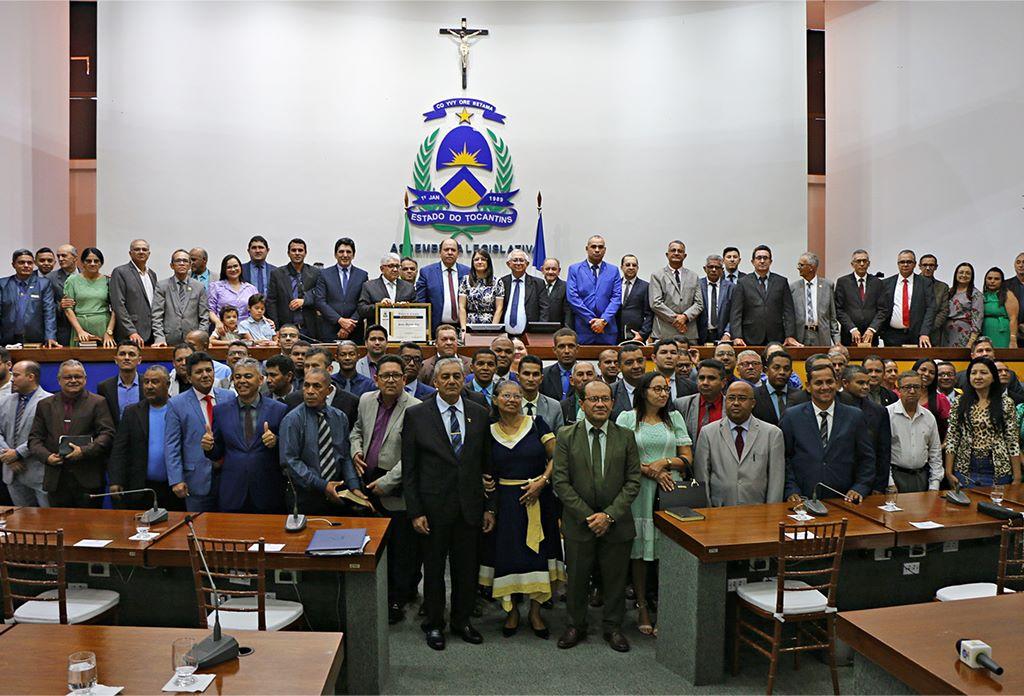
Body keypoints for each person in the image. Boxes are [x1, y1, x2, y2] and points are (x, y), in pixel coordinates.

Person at [402, 357, 494, 651]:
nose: (452, 381)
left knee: (466, 570)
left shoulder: (480, 413)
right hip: (432, 509)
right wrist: (415, 511)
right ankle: (434, 624)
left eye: (457, 376)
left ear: (464, 380)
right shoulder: (417, 414)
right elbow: (410, 469)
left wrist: (490, 507)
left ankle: (461, 621)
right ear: (435, 382)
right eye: (446, 377)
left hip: (469, 507)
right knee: (433, 571)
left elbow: (487, 465)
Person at [554, 380, 641, 653]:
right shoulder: (566, 435)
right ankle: (575, 625)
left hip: (616, 523)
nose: (600, 404)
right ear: (582, 404)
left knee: (615, 580)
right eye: (594, 399)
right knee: (577, 578)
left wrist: (609, 516)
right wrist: (589, 517)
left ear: (612, 403)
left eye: (605, 399)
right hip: (579, 523)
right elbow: (560, 482)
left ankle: (613, 627)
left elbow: (633, 481)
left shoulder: (625, 436)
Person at [485, 379, 565, 638]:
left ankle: (535, 612)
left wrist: (542, 481)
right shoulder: (488, 430)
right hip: (505, 504)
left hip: (538, 499)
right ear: (495, 399)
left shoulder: (537, 423)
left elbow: (557, 457)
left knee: (537, 554)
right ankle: (511, 612)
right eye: (506, 395)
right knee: (508, 555)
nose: (512, 400)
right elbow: (481, 464)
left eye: (517, 395)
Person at [616, 372, 691, 636]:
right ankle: (642, 606)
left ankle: (667, 607)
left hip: (669, 491)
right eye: (657, 389)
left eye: (666, 389)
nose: (663, 394)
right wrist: (650, 471)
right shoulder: (627, 418)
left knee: (667, 552)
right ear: (643, 391)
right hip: (639, 490)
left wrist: (665, 463)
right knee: (640, 553)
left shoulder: (675, 418)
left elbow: (687, 457)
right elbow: (619, 456)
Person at [350, 355, 422, 624]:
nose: (390, 380)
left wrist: (388, 481)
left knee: (401, 548)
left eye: (396, 375)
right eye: (385, 375)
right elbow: (357, 430)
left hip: (396, 484)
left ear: (405, 378)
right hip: (366, 480)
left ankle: (397, 599)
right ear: (376, 378)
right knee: (373, 544)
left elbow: (414, 455)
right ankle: (377, 593)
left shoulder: (416, 408)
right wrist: (356, 451)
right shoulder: (366, 400)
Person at [782, 362, 875, 502]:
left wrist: (860, 487)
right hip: (802, 499)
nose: (825, 387)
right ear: (808, 387)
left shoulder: (854, 416)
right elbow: (785, 458)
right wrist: (791, 490)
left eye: (829, 382)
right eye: (818, 383)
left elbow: (866, 458)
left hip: (844, 499)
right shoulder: (792, 416)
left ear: (837, 384)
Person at [280, 367, 368, 516]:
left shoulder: (339, 417)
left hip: (336, 492)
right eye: (306, 385)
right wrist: (323, 485)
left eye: (317, 386)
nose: (310, 391)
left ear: (329, 390)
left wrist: (354, 486)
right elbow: (290, 461)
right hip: (305, 496)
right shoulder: (292, 420)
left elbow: (345, 456)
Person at [204, 358, 287, 514]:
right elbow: (217, 453)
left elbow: (288, 450)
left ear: (261, 380)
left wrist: (276, 441)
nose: (242, 380)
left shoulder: (279, 409)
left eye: (248, 376)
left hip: (268, 491)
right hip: (232, 491)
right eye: (237, 377)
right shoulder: (221, 411)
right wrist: (209, 447)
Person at [28, 360, 115, 507]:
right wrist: (47, 457)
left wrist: (84, 451)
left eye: (78, 377)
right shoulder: (45, 405)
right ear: (59, 380)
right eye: (68, 377)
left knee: (90, 521)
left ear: (85, 379)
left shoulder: (98, 402)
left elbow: (107, 434)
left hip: (88, 478)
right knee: (59, 521)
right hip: (56, 479)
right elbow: (34, 439)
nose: (73, 380)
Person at [695, 380, 785, 506]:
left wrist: (771, 512)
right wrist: (707, 512)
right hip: (719, 511)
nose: (736, 403)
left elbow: (776, 481)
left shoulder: (772, 434)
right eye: (731, 398)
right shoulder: (708, 432)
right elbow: (702, 477)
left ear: (753, 403)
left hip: (758, 511)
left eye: (742, 398)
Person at [164, 351, 234, 512]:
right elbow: (172, 445)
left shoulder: (229, 397)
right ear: (189, 377)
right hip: (196, 479)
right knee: (200, 525)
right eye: (199, 372)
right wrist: (176, 480)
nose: (205, 375)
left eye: (208, 370)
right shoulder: (176, 404)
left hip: (229, 475)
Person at [108, 365, 184, 512]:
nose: (149, 386)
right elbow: (120, 449)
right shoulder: (131, 412)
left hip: (173, 487)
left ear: (167, 384)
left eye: (155, 382)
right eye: (146, 382)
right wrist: (116, 480)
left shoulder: (180, 410)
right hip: (140, 486)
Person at [945, 357, 1020, 487]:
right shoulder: (959, 402)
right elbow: (952, 438)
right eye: (973, 373)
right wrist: (948, 471)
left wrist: (1017, 476)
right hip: (966, 467)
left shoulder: (1006, 403)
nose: (978, 377)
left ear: (993, 377)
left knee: (997, 500)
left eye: (983, 373)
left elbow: (1012, 441)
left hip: (998, 468)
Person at [0, 361, 51, 506]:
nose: (12, 379)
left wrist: (18, 453)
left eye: (16, 375)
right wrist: (9, 457)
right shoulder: (4, 401)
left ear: (31, 377)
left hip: (38, 472)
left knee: (48, 517)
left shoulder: (49, 401)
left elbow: (46, 434)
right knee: (22, 519)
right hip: (12, 472)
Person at [729, 245, 798, 347]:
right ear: (753, 262)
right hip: (750, 336)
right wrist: (737, 336)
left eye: (765, 258)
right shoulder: (743, 283)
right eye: (759, 258)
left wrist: (790, 335)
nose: (762, 261)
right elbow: (736, 312)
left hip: (776, 336)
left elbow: (788, 311)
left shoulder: (781, 282)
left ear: (770, 261)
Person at [838, 365, 892, 493]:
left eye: (867, 383)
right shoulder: (832, 406)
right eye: (860, 383)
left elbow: (883, 453)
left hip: (867, 482)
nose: (866, 387)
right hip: (836, 478)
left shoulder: (879, 411)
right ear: (845, 383)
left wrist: (879, 487)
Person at [886, 371, 942, 493]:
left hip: (921, 477)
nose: (912, 391)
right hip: (895, 476)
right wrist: (890, 483)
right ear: (899, 390)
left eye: (916, 387)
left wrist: (934, 484)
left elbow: (935, 452)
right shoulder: (887, 414)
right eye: (907, 387)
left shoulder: (928, 417)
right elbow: (882, 453)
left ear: (922, 389)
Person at [284, 347, 359, 430]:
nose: (310, 371)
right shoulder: (293, 400)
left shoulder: (351, 402)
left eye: (315, 366)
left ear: (329, 369)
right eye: (307, 366)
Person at [566, 235, 622, 345]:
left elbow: (616, 298)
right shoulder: (575, 269)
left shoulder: (613, 270)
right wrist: (592, 321)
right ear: (587, 249)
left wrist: (603, 321)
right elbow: (572, 297)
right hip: (583, 329)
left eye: (600, 247)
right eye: (593, 247)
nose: (597, 250)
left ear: (604, 250)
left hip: (607, 329)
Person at [152, 249, 210, 347]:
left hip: (193, 341)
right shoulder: (162, 286)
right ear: (172, 265)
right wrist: (159, 338)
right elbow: (157, 315)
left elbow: (204, 317)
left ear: (190, 265)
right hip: (168, 340)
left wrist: (200, 338)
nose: (182, 263)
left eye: (185, 261)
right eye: (178, 261)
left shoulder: (199, 287)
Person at [0, 249, 58, 347]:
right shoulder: (3, 284)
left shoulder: (43, 284)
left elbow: (49, 312)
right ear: (13, 265)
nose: (26, 265)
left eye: (29, 263)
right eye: (21, 262)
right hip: (7, 338)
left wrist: (50, 336)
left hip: (35, 338)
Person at [266, 238, 323, 337]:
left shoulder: (315, 273)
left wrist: (305, 300)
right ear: (288, 253)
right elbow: (271, 302)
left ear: (305, 253)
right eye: (293, 250)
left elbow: (320, 293)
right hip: (286, 327)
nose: (297, 253)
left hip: (309, 327)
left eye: (300, 250)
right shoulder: (277, 274)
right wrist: (276, 329)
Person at [648, 240, 703, 342]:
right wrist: (677, 320)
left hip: (688, 332)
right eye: (673, 250)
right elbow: (655, 303)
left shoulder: (693, 276)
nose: (676, 253)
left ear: (685, 256)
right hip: (664, 332)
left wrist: (685, 317)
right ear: (667, 254)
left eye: (680, 251)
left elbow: (699, 304)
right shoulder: (657, 275)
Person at [61, 247, 115, 348]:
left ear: (101, 263)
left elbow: (115, 309)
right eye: (88, 261)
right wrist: (80, 331)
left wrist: (109, 332)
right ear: (82, 263)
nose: (92, 264)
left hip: (103, 327)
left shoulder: (108, 280)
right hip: (80, 327)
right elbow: (68, 309)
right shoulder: (72, 280)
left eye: (96, 261)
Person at [317, 237, 369, 342]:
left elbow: (363, 303)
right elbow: (320, 301)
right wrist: (340, 320)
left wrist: (349, 325)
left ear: (353, 255)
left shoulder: (362, 275)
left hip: (354, 330)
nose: (345, 255)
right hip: (330, 328)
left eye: (348, 252)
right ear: (335, 254)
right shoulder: (324, 274)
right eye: (341, 251)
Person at [108, 238, 158, 346]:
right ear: (130, 253)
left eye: (144, 249)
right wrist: (131, 331)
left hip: (151, 333)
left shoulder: (152, 274)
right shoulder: (120, 272)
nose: (141, 252)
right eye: (137, 249)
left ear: (149, 253)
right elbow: (118, 305)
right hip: (130, 334)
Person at [834, 249, 889, 346]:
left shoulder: (877, 283)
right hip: (849, 335)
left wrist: (872, 329)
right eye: (858, 261)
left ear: (869, 263)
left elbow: (883, 310)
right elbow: (838, 309)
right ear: (852, 264)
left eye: (864, 261)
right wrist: (852, 328)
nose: (862, 264)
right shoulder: (843, 282)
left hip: (871, 336)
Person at [881, 249, 935, 348]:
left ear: (915, 264)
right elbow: (881, 309)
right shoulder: (886, 283)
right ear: (898, 264)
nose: (905, 265)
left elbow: (930, 309)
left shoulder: (925, 283)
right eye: (902, 262)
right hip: (892, 335)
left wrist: (924, 333)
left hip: (917, 335)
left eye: (909, 262)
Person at [416, 239, 470, 333]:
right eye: (446, 249)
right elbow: (421, 302)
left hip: (463, 327)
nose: (450, 253)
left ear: (458, 253)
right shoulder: (427, 272)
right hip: (435, 328)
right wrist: (425, 327)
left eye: (453, 250)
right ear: (440, 252)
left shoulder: (468, 272)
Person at [790, 252, 839, 346]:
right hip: (800, 335)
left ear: (811, 267)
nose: (798, 267)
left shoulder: (827, 286)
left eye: (801, 265)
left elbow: (832, 316)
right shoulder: (793, 288)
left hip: (822, 335)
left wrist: (837, 340)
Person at [673, 358, 727, 441]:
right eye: (701, 378)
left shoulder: (730, 406)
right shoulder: (681, 405)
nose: (705, 382)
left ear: (723, 383)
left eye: (711, 378)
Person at [358, 253, 415, 327]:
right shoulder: (369, 286)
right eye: (391, 266)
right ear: (382, 269)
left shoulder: (409, 287)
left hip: (402, 329)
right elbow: (362, 310)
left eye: (397, 266)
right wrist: (379, 305)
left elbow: (418, 309)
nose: (395, 269)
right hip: (378, 330)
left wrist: (408, 307)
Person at [498, 249, 547, 336]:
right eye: (515, 260)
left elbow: (544, 309)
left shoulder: (538, 283)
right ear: (508, 264)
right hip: (504, 334)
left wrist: (540, 330)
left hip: (530, 334)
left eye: (521, 260)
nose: (518, 263)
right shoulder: (502, 282)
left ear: (527, 264)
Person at [207, 254, 259, 335]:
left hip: (247, 331)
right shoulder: (216, 287)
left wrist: (266, 320)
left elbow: (257, 309)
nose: (233, 269)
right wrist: (218, 322)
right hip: (223, 330)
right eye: (229, 267)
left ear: (240, 267)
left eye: (235, 266)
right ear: (224, 270)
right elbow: (210, 310)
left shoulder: (251, 289)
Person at [458, 249, 505, 334]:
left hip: (489, 325)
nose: (479, 262)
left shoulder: (497, 282)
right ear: (473, 263)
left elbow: (499, 309)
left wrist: (493, 329)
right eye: (476, 259)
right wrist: (463, 329)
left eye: (483, 259)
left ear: (488, 262)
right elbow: (462, 307)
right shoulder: (465, 280)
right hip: (470, 325)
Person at [96, 341, 142, 425]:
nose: (127, 358)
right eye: (122, 354)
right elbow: (103, 419)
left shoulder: (147, 384)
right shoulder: (104, 387)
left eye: (131, 354)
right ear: (116, 360)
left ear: (139, 360)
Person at [753, 351, 802, 426]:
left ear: (791, 372)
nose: (782, 372)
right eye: (776, 368)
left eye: (786, 369)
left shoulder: (800, 396)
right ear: (766, 371)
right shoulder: (754, 395)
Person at [517, 355, 564, 431]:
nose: (531, 379)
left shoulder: (554, 407)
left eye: (535, 374)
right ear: (518, 377)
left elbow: (560, 436)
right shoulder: (508, 404)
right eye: (526, 374)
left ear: (541, 378)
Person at [943, 262, 983, 348]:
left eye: (968, 273)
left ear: (972, 276)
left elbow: (977, 320)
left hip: (964, 335)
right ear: (956, 274)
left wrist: (971, 342)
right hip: (945, 334)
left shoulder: (976, 294)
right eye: (961, 272)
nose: (964, 275)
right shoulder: (949, 291)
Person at [615, 254, 653, 342]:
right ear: (621, 267)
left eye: (634, 265)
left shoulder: (646, 286)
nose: (631, 267)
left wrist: (643, 334)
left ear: (638, 268)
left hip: (635, 336)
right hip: (614, 335)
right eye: (628, 265)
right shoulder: (614, 285)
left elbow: (649, 314)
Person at [47, 244, 79, 346]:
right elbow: (46, 307)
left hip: (86, 325)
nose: (60, 259)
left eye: (64, 256)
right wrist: (60, 306)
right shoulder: (50, 278)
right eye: (58, 256)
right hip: (63, 329)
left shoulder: (86, 276)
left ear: (75, 258)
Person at [697, 255, 733, 344]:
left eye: (717, 267)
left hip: (723, 335)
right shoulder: (697, 285)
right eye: (710, 267)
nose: (713, 270)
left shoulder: (730, 287)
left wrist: (727, 333)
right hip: (700, 334)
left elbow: (734, 314)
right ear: (705, 269)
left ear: (722, 270)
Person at [912, 358, 951, 440]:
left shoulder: (940, 399)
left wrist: (943, 445)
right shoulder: (899, 396)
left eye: (932, 373)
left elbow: (950, 427)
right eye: (923, 370)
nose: (927, 374)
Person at [981, 267, 1019, 348]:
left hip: (1003, 333)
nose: (992, 281)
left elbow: (1013, 318)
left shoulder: (1008, 294)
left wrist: (1013, 339)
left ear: (1002, 281)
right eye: (989, 278)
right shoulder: (982, 296)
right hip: (985, 332)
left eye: (996, 279)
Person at [918, 254, 950, 347]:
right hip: (912, 330)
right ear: (919, 266)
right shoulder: (911, 284)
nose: (928, 268)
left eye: (931, 265)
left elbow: (943, 311)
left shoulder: (942, 287)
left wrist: (927, 328)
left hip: (933, 332)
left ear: (936, 267)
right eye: (925, 265)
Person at [540, 328, 578, 401]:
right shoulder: (544, 375)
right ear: (554, 350)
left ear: (577, 348)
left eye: (571, 346)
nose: (567, 351)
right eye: (561, 346)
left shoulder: (587, 375)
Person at [611, 343, 646, 419]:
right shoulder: (610, 392)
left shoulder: (658, 389)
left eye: (640, 361)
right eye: (629, 363)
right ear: (618, 367)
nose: (636, 366)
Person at [540, 258, 574, 327]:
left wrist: (567, 330)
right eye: (547, 269)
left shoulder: (566, 287)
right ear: (542, 270)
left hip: (558, 330)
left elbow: (568, 312)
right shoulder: (537, 286)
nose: (550, 272)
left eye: (554, 269)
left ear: (559, 271)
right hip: (538, 329)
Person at [560, 361, 596, 426]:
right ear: (572, 380)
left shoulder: (605, 403)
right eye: (580, 374)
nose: (585, 378)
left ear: (596, 378)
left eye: (589, 374)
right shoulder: (562, 407)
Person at [1006, 251, 1024, 338]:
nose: (1021, 265)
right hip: (1012, 333)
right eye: (1018, 262)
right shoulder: (1006, 285)